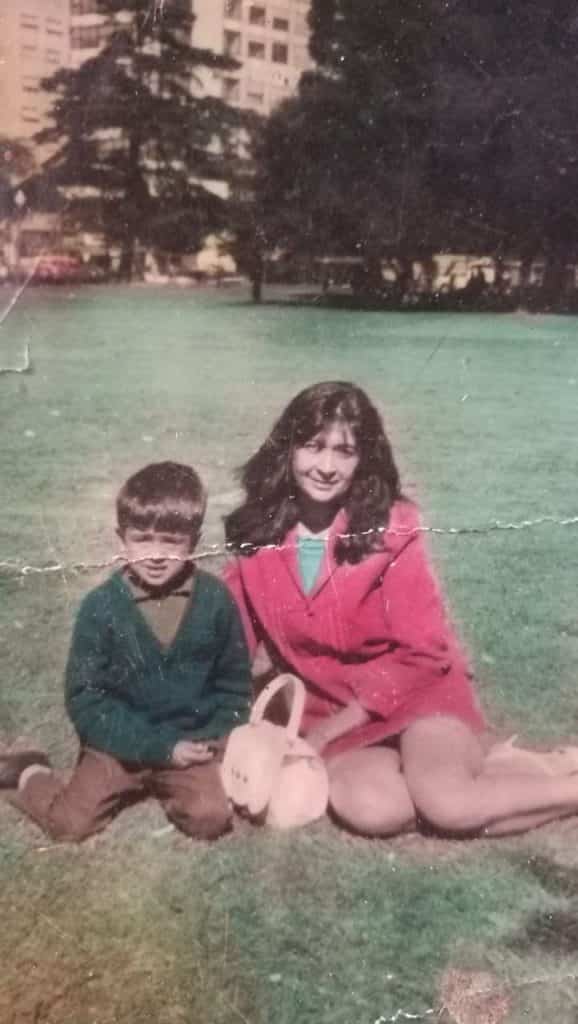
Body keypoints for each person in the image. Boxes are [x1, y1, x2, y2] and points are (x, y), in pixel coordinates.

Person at [224, 381, 578, 838]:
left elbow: (424, 655)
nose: (327, 467)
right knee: (374, 809)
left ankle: (543, 788)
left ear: (363, 459)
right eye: (314, 446)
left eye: (345, 452)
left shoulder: (393, 528)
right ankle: (498, 771)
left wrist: (327, 734)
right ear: (287, 449)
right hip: (328, 711)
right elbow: (229, 640)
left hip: (416, 696)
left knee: (446, 804)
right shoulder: (257, 534)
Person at [0, 462, 251, 842]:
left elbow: (233, 684)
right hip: (117, 746)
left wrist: (217, 738)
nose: (156, 555)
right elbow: (86, 700)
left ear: (195, 541)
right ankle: (28, 772)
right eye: (142, 538)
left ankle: (167, 786)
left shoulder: (215, 600)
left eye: (171, 541)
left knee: (210, 817)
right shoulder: (101, 607)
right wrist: (160, 748)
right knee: (69, 824)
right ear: (122, 538)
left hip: (189, 741)